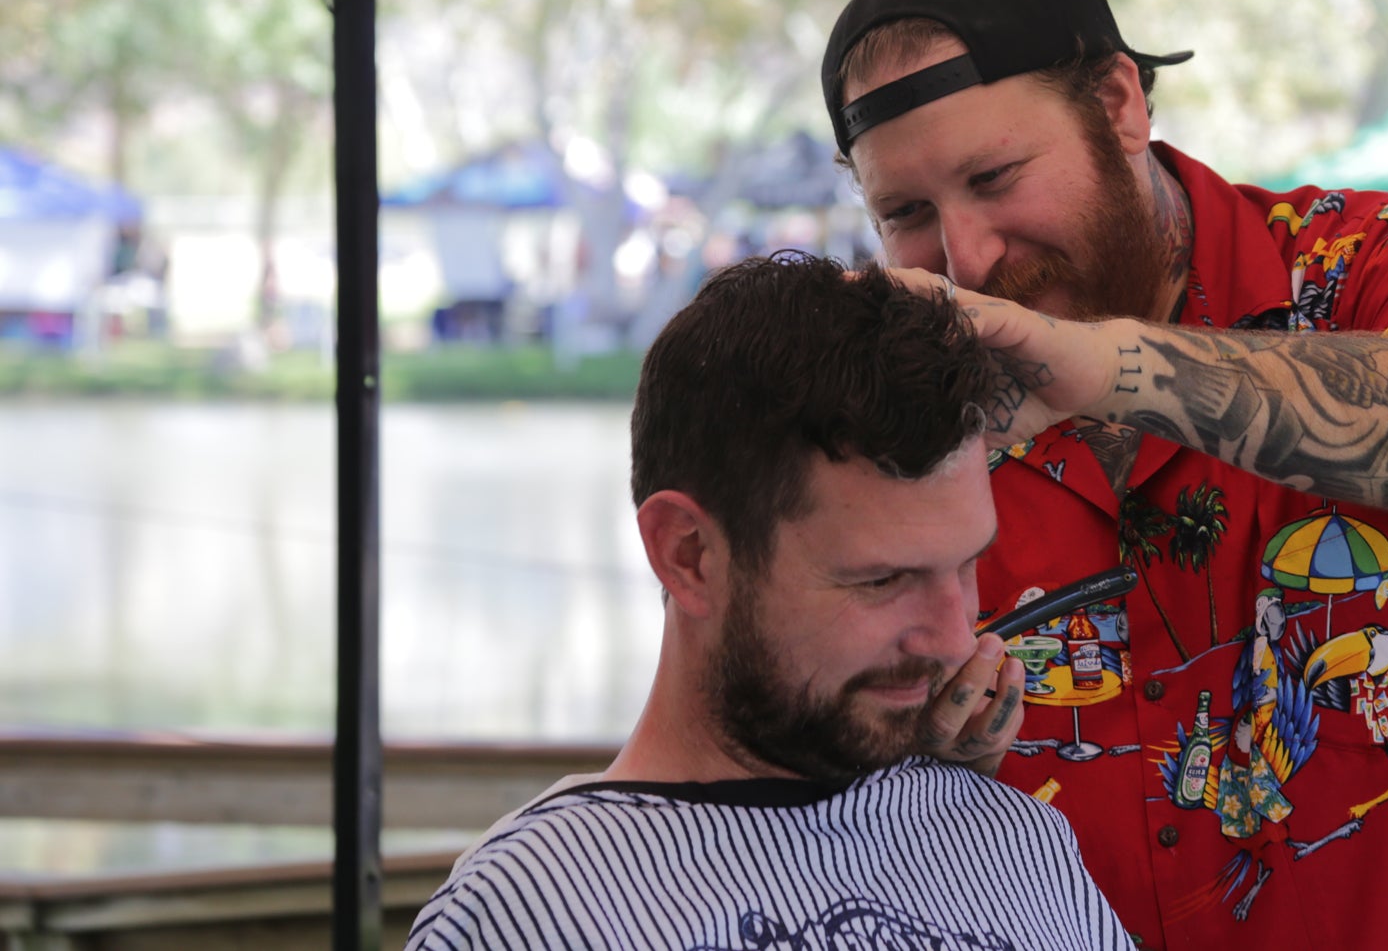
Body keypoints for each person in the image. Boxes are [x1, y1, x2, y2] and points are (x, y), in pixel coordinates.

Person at [821, 0, 1388, 948]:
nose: (967, 255)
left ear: (1118, 103)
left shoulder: (1383, 261)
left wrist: (1087, 359)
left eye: (996, 177)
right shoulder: (908, 423)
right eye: (906, 213)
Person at [406, 254, 1134, 951]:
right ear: (688, 553)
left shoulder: (1019, 840)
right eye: (881, 580)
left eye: (968, 565)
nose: (953, 638)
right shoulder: (534, 910)